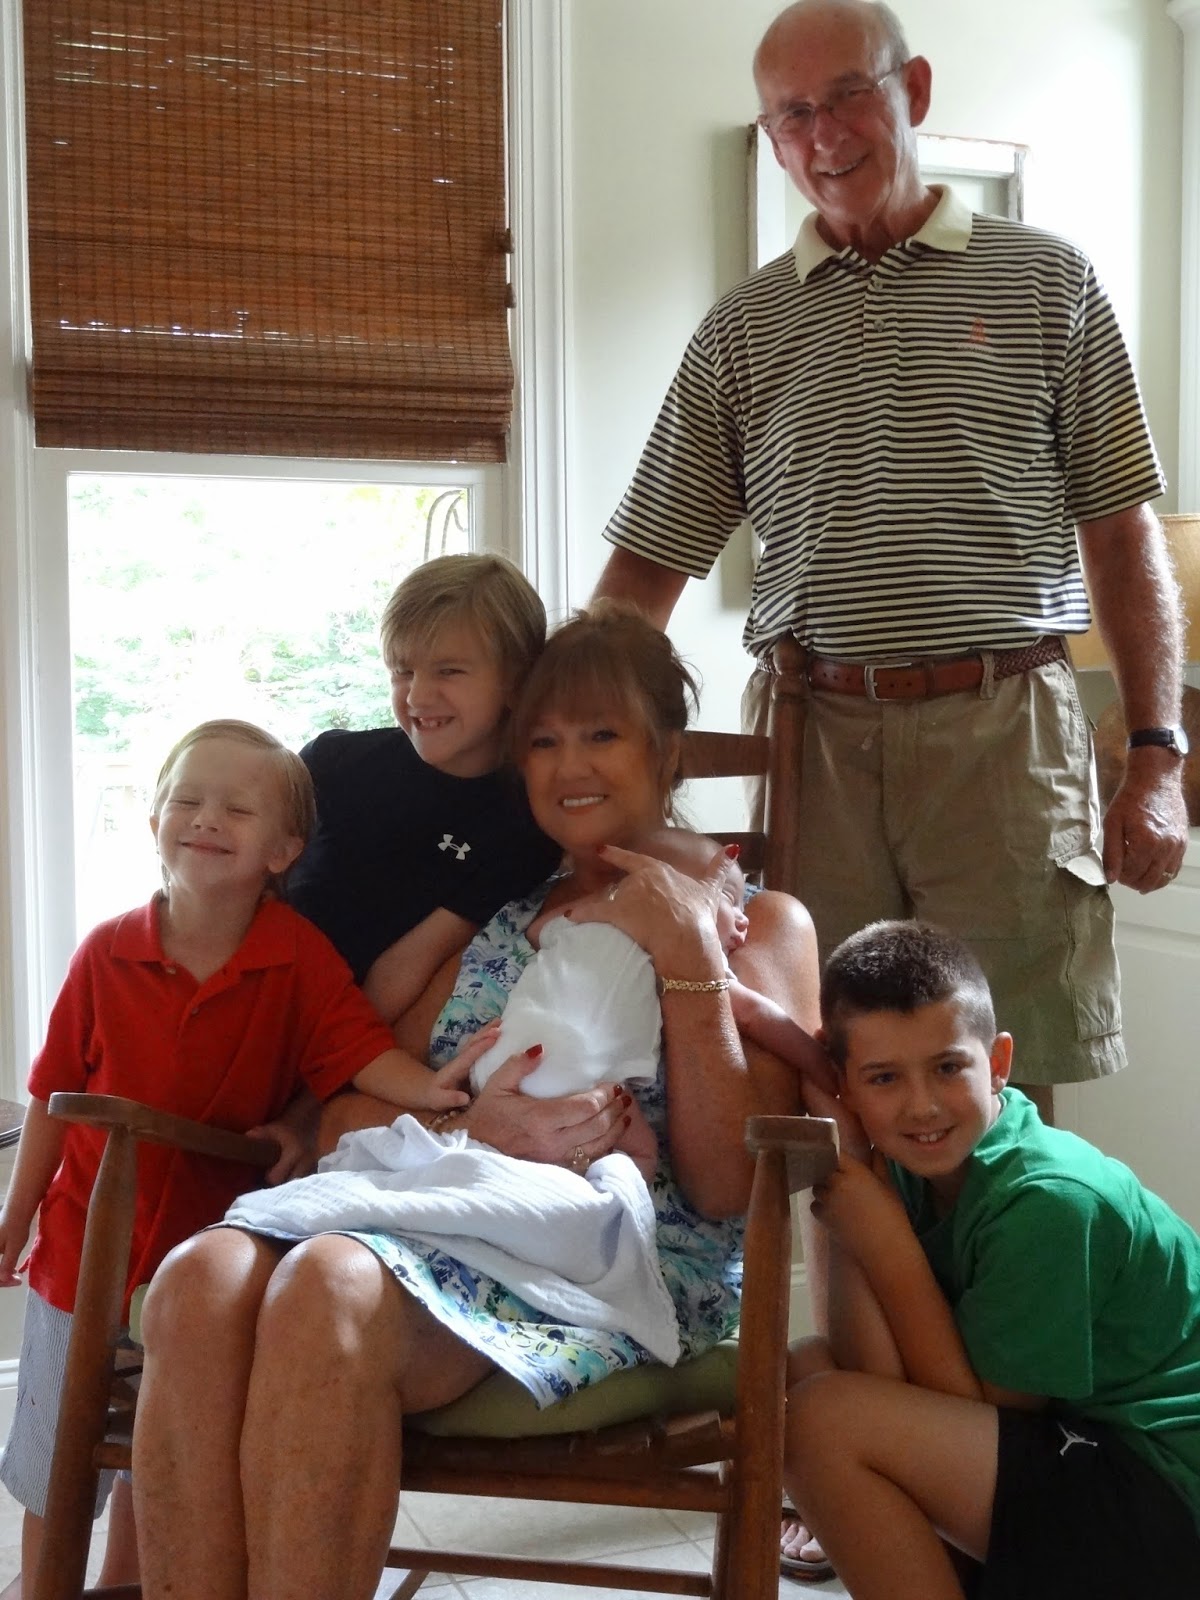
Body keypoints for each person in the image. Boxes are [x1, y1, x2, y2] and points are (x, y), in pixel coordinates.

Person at [131, 603, 819, 1600]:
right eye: (542, 740)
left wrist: (687, 953)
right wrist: (473, 1123)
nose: (568, 765)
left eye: (601, 733)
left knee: (326, 1287)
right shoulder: (497, 923)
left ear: (666, 749)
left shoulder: (760, 924)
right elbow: (344, 1118)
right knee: (197, 1280)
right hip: (435, 1212)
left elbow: (725, 1186)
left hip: (623, 1255)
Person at [593, 0, 1189, 1102]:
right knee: (828, 1080)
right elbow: (646, 566)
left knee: (1001, 1086)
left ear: (913, 92)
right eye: (793, 114)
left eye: (848, 96)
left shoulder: (1047, 280)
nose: (824, 135)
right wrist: (565, 747)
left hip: (1003, 740)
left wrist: (1156, 756)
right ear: (772, 137)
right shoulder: (741, 328)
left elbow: (1120, 531)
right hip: (814, 737)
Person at [0, 719, 476, 1600]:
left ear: (284, 850)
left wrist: (439, 1092)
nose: (206, 819)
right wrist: (16, 1213)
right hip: (80, 1250)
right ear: (154, 822)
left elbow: (358, 1050)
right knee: (55, 1457)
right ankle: (44, 1587)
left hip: (208, 1256)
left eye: (236, 808)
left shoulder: (297, 956)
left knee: (166, 1440)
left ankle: (132, 1581)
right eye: (186, 800)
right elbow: (52, 1095)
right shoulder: (106, 950)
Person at [780, 920, 1200, 1597]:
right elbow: (871, 1376)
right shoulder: (911, 1163)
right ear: (845, 1085)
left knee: (823, 1421)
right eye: (884, 1078)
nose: (922, 1107)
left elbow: (986, 1415)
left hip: (1170, 1490)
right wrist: (854, 1170)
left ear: (998, 1061)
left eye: (948, 1067)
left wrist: (885, 1242)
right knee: (810, 1370)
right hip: (1090, 1454)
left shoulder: (1050, 1202)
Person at [286, 551, 562, 1022]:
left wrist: (334, 1061)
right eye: (403, 671)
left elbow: (410, 964)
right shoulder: (330, 763)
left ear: (517, 681)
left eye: (448, 670)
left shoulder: (525, 825)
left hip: (346, 1029)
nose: (417, 695)